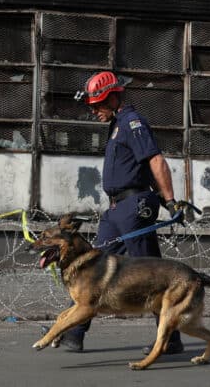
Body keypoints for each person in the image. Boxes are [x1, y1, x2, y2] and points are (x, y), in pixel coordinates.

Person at [58, 70, 187, 354]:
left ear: (114, 97)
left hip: (134, 207)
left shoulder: (133, 123)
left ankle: (170, 338)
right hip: (116, 210)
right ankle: (71, 332)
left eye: (98, 105)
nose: (94, 111)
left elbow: (155, 160)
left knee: (151, 274)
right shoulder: (117, 125)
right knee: (91, 266)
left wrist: (171, 200)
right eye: (92, 106)